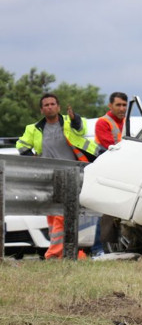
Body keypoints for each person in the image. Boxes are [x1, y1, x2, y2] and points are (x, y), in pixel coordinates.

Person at [16, 93, 102, 259]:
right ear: (42, 109)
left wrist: (74, 118)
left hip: (71, 175)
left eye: (53, 104)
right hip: (49, 176)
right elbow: (21, 145)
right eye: (46, 105)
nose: (50, 107)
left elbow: (81, 128)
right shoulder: (33, 129)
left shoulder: (69, 121)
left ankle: (54, 254)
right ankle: (66, 251)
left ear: (58, 107)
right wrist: (32, 158)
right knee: (53, 215)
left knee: (62, 214)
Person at [90, 92, 128, 256]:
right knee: (104, 210)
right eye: (118, 105)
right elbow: (111, 146)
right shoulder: (103, 122)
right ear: (110, 106)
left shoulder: (126, 122)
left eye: (124, 105)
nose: (122, 108)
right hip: (107, 173)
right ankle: (97, 248)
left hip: (122, 172)